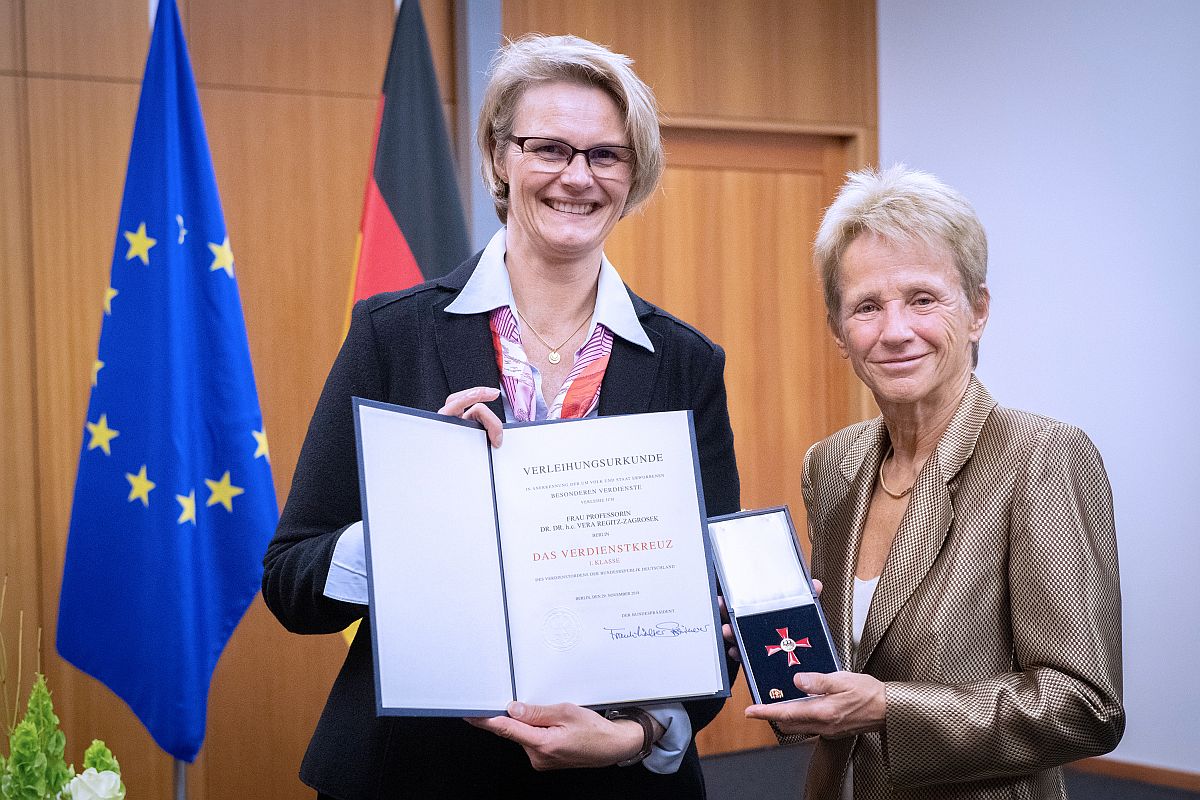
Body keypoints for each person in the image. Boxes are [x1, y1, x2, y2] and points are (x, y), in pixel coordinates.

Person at [261, 34, 739, 800]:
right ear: (497, 156)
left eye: (606, 156)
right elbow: (291, 583)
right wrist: (415, 504)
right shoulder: (393, 332)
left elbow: (710, 609)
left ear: (634, 175)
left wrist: (638, 733)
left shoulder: (685, 364)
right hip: (412, 772)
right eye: (549, 147)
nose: (577, 177)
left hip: (614, 781)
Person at [740, 165, 1124, 799]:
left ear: (976, 311)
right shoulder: (832, 465)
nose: (895, 331)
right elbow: (847, 667)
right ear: (839, 333)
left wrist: (890, 709)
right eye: (866, 307)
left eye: (923, 299)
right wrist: (770, 648)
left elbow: (1083, 707)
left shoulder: (1043, 456)